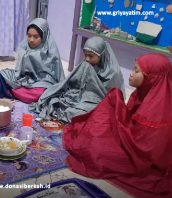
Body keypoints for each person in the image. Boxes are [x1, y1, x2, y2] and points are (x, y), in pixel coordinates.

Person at [63, 53, 172, 198]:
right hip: (132, 141)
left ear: (152, 77)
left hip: (140, 157)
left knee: (97, 151)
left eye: (137, 71)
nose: (131, 75)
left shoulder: (157, 109)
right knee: (102, 119)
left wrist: (117, 116)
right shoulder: (142, 93)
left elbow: (144, 149)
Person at [30, 36, 125, 123]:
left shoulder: (113, 73)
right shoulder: (87, 64)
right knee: (52, 97)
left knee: (84, 114)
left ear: (101, 55)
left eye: (91, 56)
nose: (87, 59)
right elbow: (73, 82)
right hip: (80, 97)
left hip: (98, 102)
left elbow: (112, 101)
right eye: (85, 55)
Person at [0, 18, 65, 104]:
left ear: (44, 36)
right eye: (29, 35)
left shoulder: (50, 50)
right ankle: (19, 94)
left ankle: (14, 93)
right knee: (2, 75)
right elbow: (19, 72)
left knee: (43, 93)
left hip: (42, 81)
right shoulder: (24, 46)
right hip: (24, 79)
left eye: (36, 37)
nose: (31, 40)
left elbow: (57, 74)